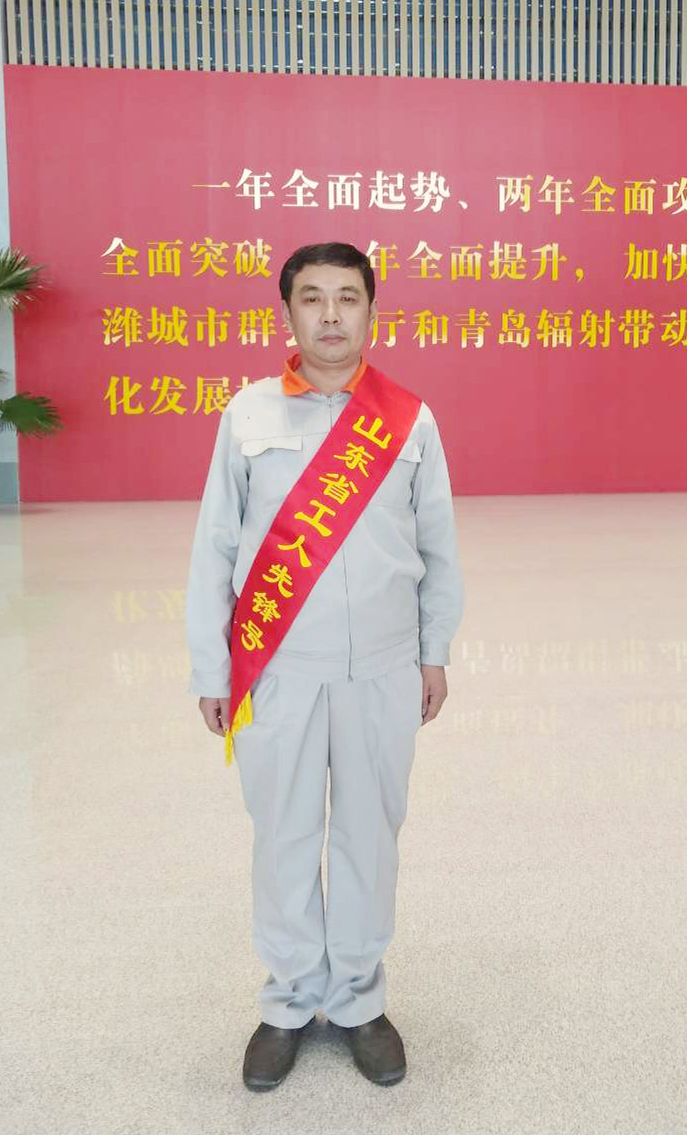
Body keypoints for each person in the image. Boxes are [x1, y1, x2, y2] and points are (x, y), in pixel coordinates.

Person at [185, 242, 463, 1091]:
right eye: (313, 297)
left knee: (369, 834)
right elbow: (214, 547)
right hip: (278, 668)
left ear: (371, 310)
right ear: (289, 311)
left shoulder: (408, 420)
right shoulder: (247, 414)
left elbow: (437, 548)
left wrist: (432, 651)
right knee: (284, 833)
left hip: (382, 665)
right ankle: (287, 1000)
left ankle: (358, 1000)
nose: (331, 315)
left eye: (348, 297)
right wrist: (212, 668)